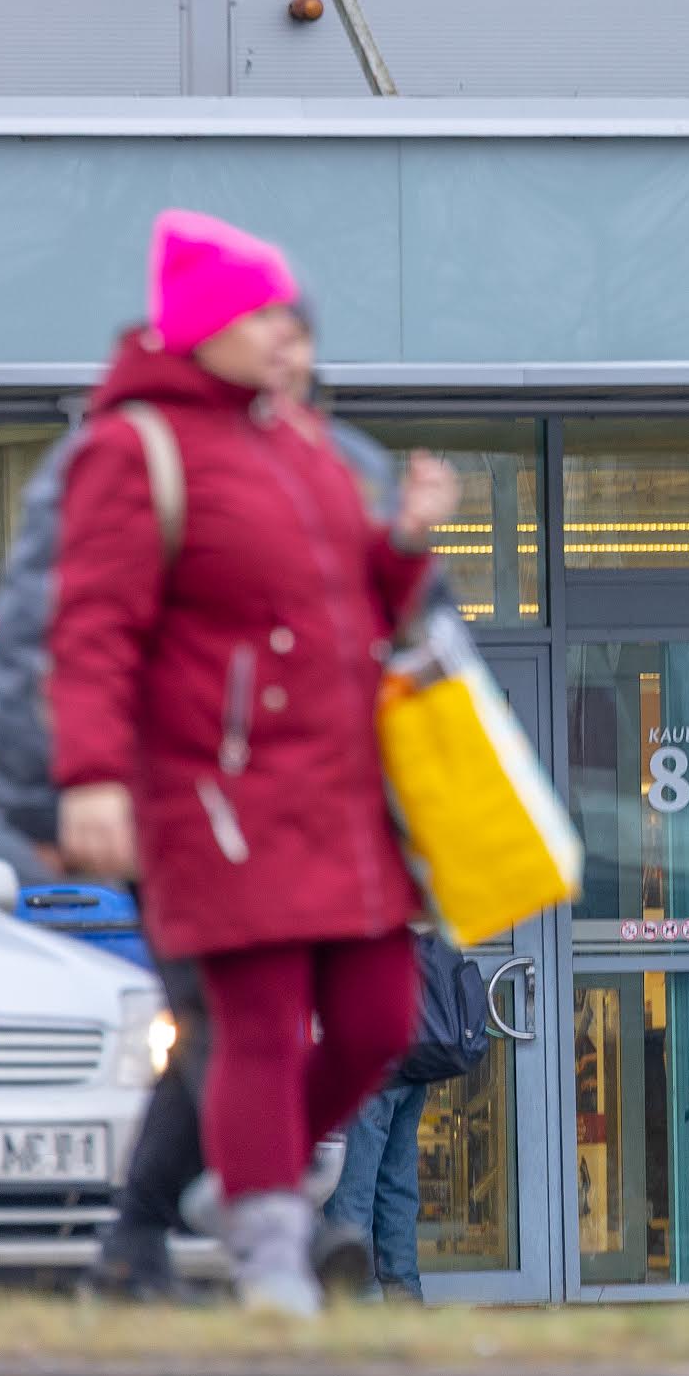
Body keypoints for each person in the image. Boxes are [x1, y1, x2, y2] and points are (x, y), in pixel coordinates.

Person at [48, 208, 457, 1315]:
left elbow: (356, 611)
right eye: (262, 315)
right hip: (216, 799)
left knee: (380, 1021)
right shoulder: (135, 449)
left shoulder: (306, 447)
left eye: (293, 315)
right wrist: (88, 775)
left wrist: (404, 542)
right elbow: (92, 629)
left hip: (339, 797)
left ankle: (238, 1176)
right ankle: (271, 1255)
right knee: (259, 1027)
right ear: (202, 329)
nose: (290, 335)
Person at [325, 929, 474, 1303]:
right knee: (396, 1185)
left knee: (353, 1191)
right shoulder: (410, 916)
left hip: (371, 1070)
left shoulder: (361, 920)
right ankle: (404, 1294)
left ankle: (359, 1301)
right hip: (412, 1065)